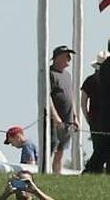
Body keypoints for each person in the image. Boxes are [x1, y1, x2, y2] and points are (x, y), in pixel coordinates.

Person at [82, 49, 110, 174]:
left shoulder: (90, 80)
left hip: (96, 119)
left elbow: (83, 102)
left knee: (99, 148)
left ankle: (94, 172)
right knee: (109, 150)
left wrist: (87, 117)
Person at [90, 36, 110, 174]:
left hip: (106, 115)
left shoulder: (105, 66)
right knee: (104, 148)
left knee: (103, 149)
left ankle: (89, 171)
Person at [47, 44, 77, 173]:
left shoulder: (67, 75)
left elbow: (71, 95)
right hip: (55, 120)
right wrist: (55, 116)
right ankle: (45, 171)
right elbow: (47, 96)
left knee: (61, 150)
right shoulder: (50, 74)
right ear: (58, 57)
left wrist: (75, 116)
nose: (69, 59)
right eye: (66, 56)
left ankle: (57, 174)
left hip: (68, 119)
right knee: (51, 147)